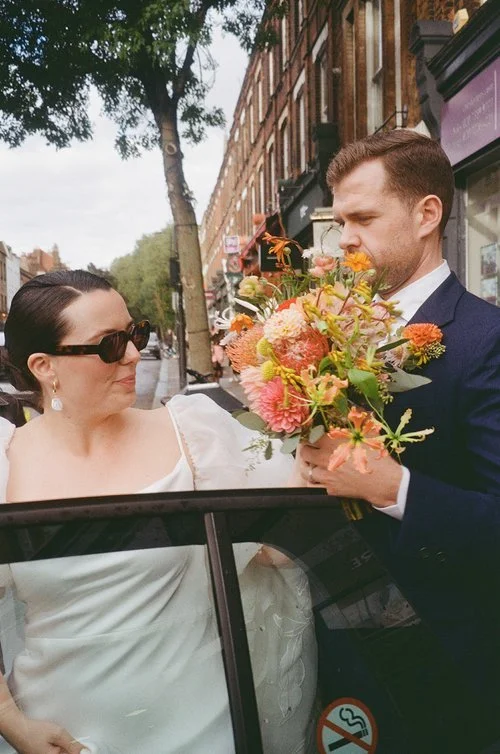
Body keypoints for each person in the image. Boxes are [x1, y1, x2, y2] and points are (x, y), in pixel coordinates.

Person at [0, 271, 317, 754]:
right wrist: (12, 724)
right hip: (59, 732)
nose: (132, 354)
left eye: (135, 334)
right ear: (45, 366)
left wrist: (324, 423)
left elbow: (284, 545)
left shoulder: (194, 434)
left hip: (204, 724)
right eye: (109, 345)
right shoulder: (4, 462)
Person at [299, 130, 500, 717]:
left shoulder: (487, 340)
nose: (344, 241)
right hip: (339, 636)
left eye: (362, 217)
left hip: (451, 659)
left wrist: (395, 489)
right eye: (340, 223)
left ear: (426, 214)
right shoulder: (330, 332)